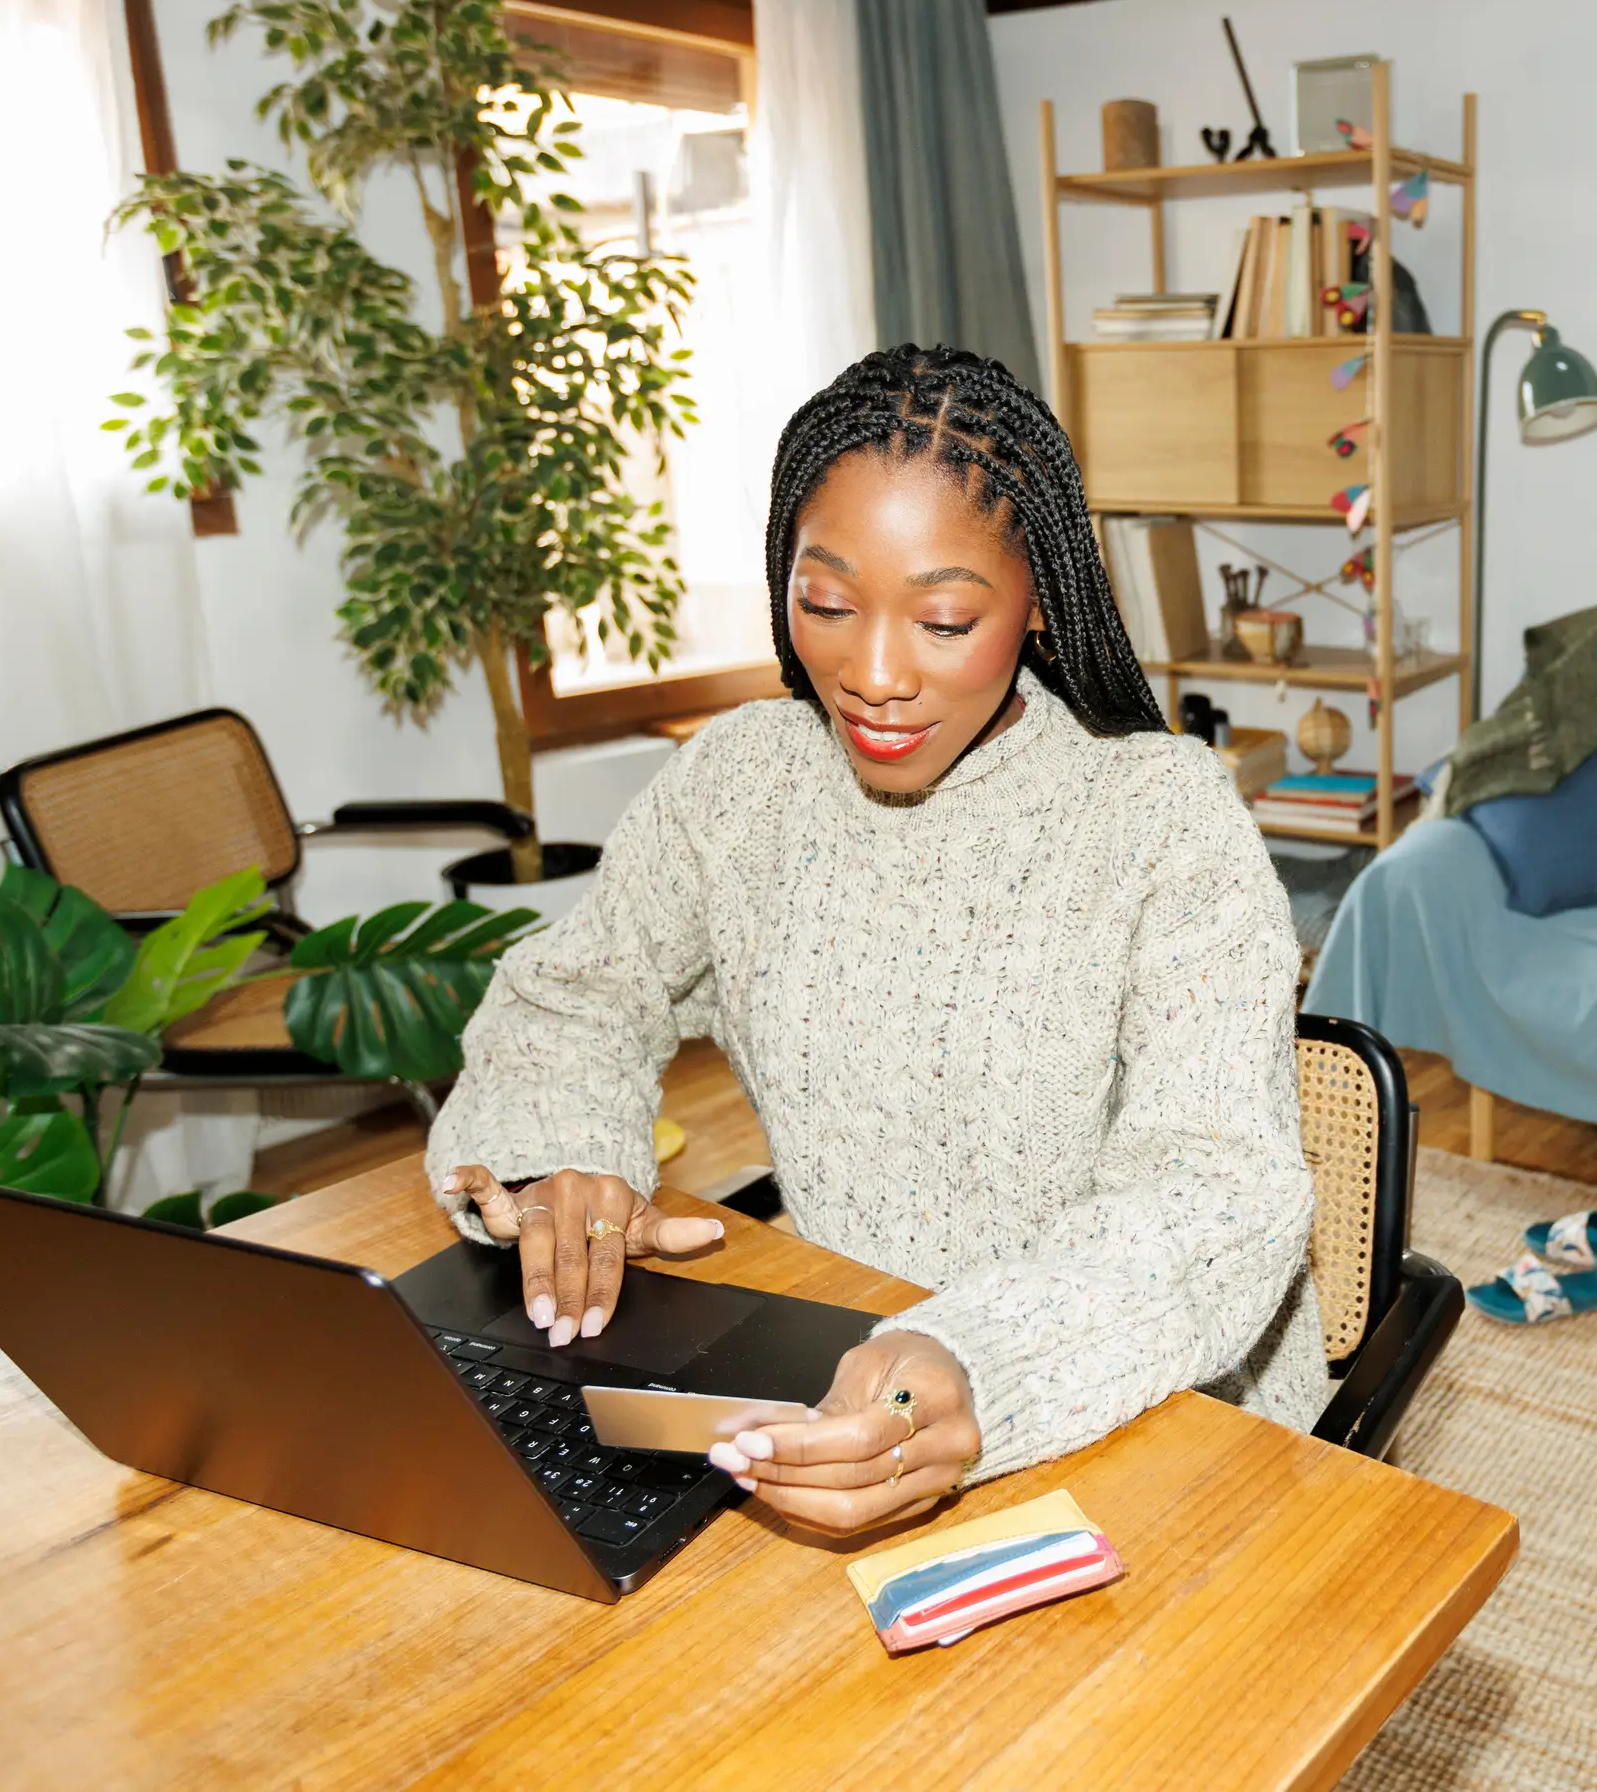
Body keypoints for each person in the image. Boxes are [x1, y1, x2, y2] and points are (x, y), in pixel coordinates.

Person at [430, 344, 1322, 1538]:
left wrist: (977, 1360)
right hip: (838, 1378)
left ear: (1042, 599)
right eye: (828, 603)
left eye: (945, 617)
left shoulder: (1159, 818)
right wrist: (560, 1165)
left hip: (1152, 1411)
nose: (876, 673)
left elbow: (1212, 1191)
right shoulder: (746, 783)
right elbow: (577, 996)